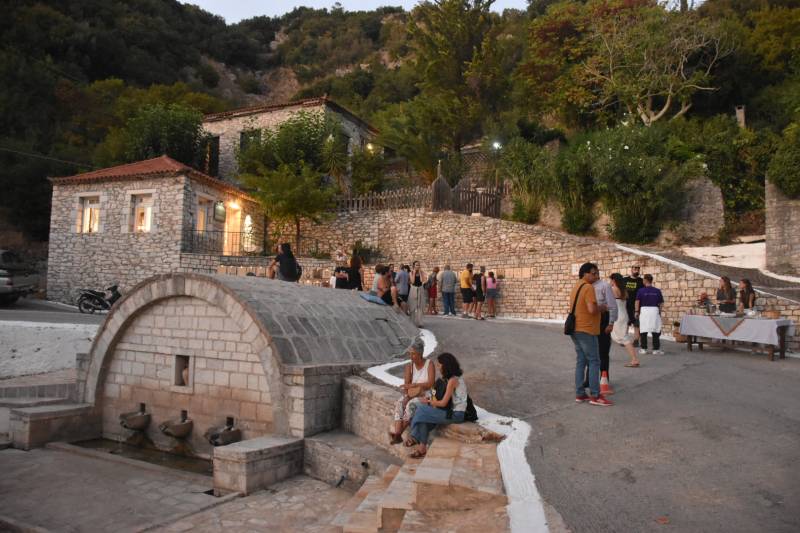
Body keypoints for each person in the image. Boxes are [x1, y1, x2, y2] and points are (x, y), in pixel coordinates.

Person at [406, 352, 468, 458]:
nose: (438, 367)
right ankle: (422, 447)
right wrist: (430, 400)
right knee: (423, 416)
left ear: (446, 366)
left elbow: (443, 403)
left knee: (421, 410)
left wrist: (428, 402)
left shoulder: (453, 380)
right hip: (450, 411)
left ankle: (414, 436)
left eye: (439, 365)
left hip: (456, 415)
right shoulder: (453, 378)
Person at [570, 263, 612, 406]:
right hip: (587, 329)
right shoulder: (588, 287)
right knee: (594, 361)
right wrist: (603, 307)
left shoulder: (577, 286)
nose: (596, 276)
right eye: (593, 273)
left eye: (597, 273)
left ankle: (580, 393)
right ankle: (596, 395)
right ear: (585, 274)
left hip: (576, 329)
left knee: (581, 361)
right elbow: (592, 309)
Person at [388, 338, 434, 445]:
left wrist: (415, 385)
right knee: (400, 403)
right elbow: (406, 385)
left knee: (410, 405)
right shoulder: (409, 366)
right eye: (410, 354)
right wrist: (406, 396)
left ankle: (398, 434)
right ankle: (397, 434)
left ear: (420, 354)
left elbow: (430, 384)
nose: (411, 356)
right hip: (412, 394)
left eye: (413, 354)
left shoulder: (429, 364)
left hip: (425, 395)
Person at [584, 270, 617, 393]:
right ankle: (589, 379)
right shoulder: (586, 286)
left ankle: (604, 379)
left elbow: (612, 305)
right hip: (590, 320)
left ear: (597, 274)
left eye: (593, 273)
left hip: (603, 319)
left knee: (603, 352)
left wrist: (611, 323)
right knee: (590, 352)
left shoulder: (605, 286)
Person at [610, 273, 641, 367]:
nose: (610, 282)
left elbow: (609, 303)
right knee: (609, 334)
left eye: (611, 280)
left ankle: (634, 359)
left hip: (617, 316)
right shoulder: (624, 290)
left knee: (624, 338)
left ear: (614, 280)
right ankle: (604, 354)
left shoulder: (613, 289)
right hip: (623, 314)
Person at [635, 274, 664, 355]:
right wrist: (659, 312)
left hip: (644, 311)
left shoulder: (640, 290)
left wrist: (636, 311)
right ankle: (656, 349)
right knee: (656, 330)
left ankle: (644, 349)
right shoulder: (657, 291)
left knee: (643, 330)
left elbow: (637, 301)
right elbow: (661, 303)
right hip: (654, 310)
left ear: (645, 280)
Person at [623, 265, 645, 345]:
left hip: (637, 306)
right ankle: (624, 339)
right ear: (631, 270)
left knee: (636, 324)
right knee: (626, 323)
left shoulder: (641, 281)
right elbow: (621, 290)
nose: (636, 270)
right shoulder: (625, 280)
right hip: (626, 305)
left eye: (638, 269)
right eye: (635, 268)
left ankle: (636, 340)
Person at [408, 261, 426, 326]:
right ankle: (412, 322)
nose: (418, 266)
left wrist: (420, 273)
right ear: (414, 266)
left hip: (420, 289)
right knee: (412, 305)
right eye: (416, 265)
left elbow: (422, 280)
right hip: (413, 289)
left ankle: (419, 322)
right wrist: (414, 273)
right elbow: (412, 281)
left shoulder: (422, 272)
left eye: (418, 265)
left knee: (420, 306)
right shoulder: (411, 273)